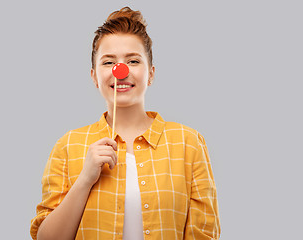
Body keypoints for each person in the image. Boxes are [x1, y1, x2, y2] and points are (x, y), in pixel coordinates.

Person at [30, 6, 221, 240]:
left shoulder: (189, 143)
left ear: (150, 73)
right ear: (94, 76)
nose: (120, 71)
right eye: (109, 62)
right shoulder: (68, 146)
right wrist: (85, 179)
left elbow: (204, 234)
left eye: (133, 61)